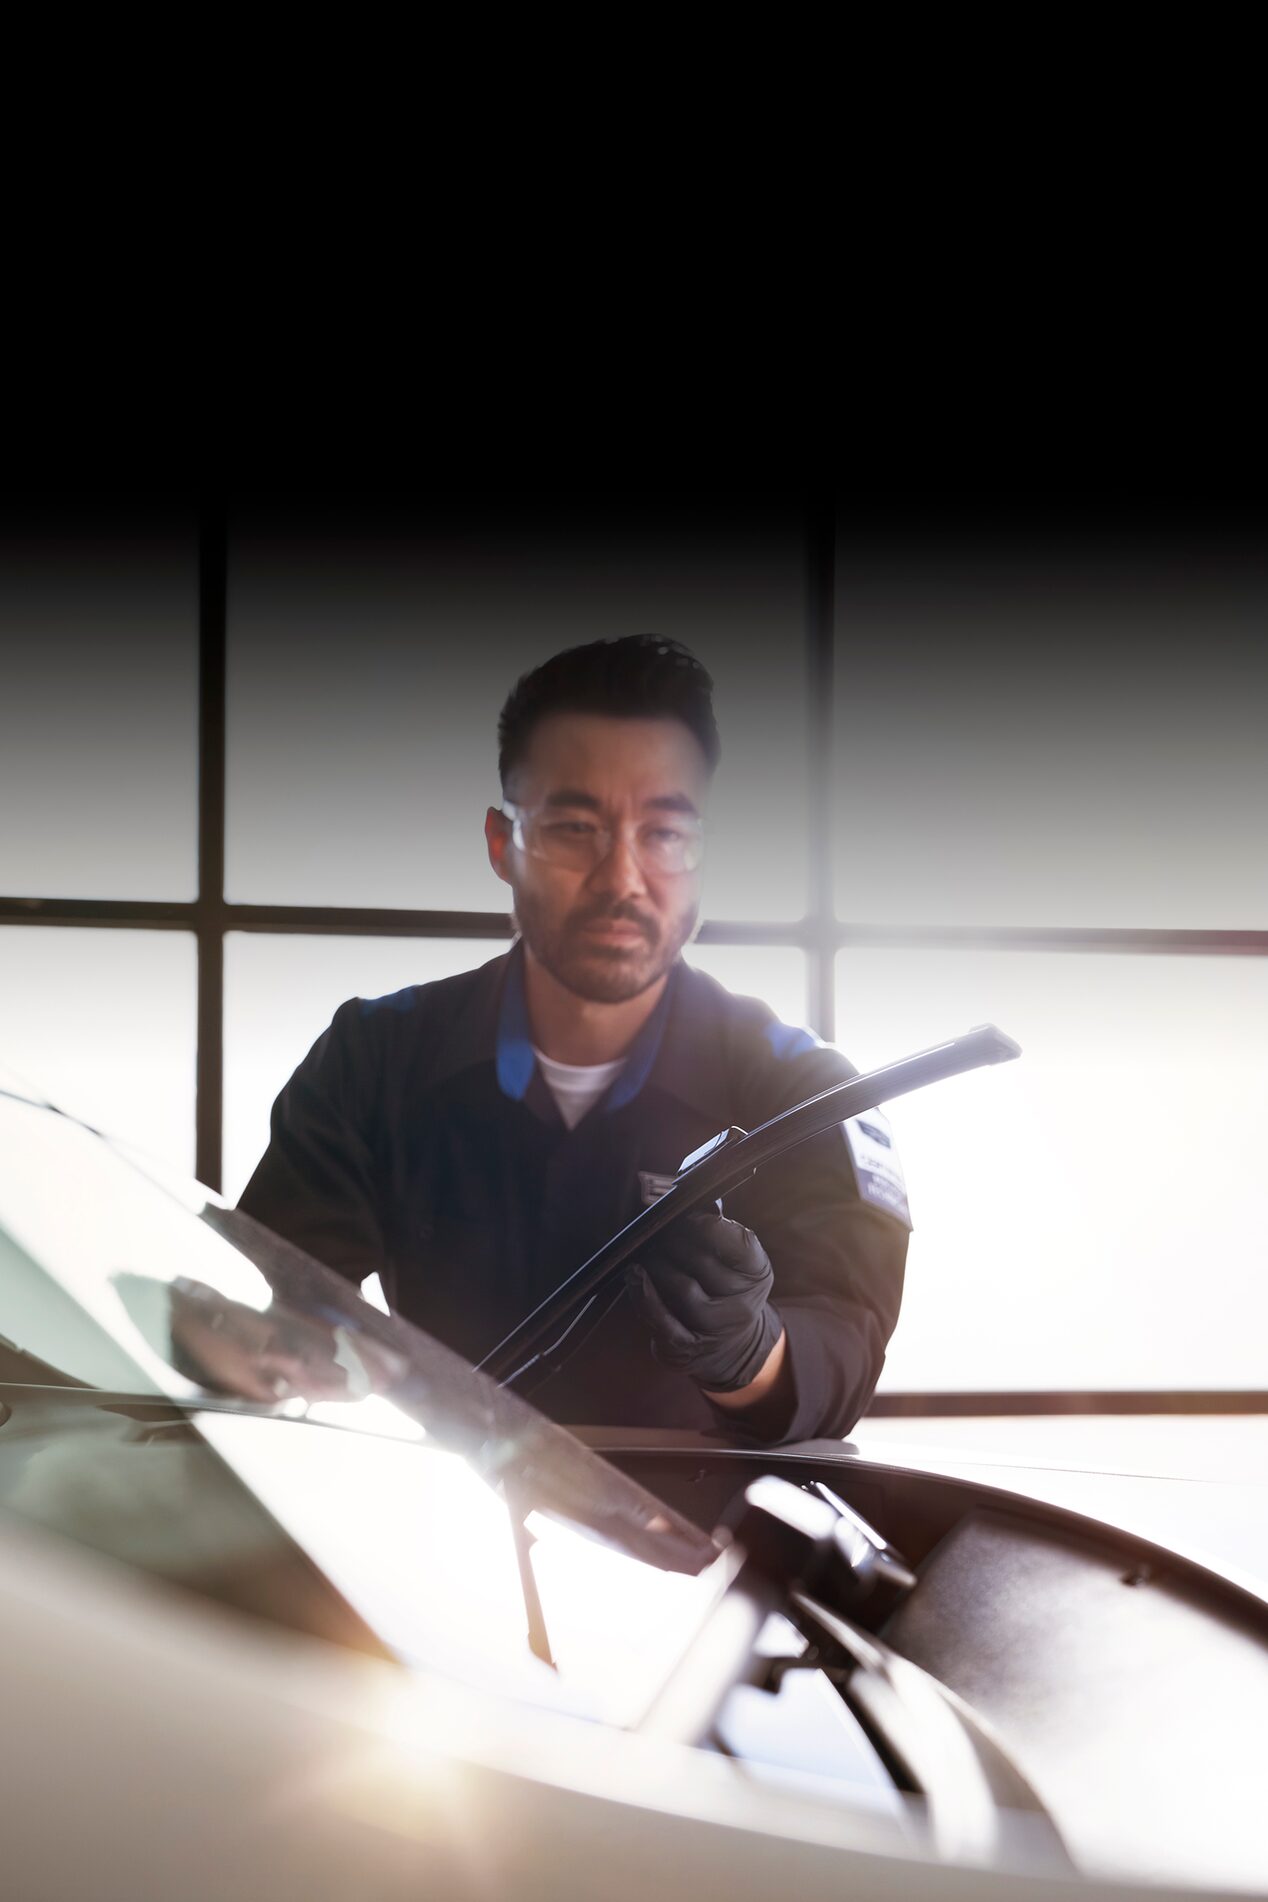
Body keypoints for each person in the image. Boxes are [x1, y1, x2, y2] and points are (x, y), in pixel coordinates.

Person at [238, 635, 911, 1443]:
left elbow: (845, 1340)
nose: (622, 878)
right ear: (501, 844)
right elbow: (272, 1311)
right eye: (574, 828)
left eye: (664, 834)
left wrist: (747, 1350)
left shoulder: (804, 1090)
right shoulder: (371, 1060)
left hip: (718, 1546)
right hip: (439, 1531)